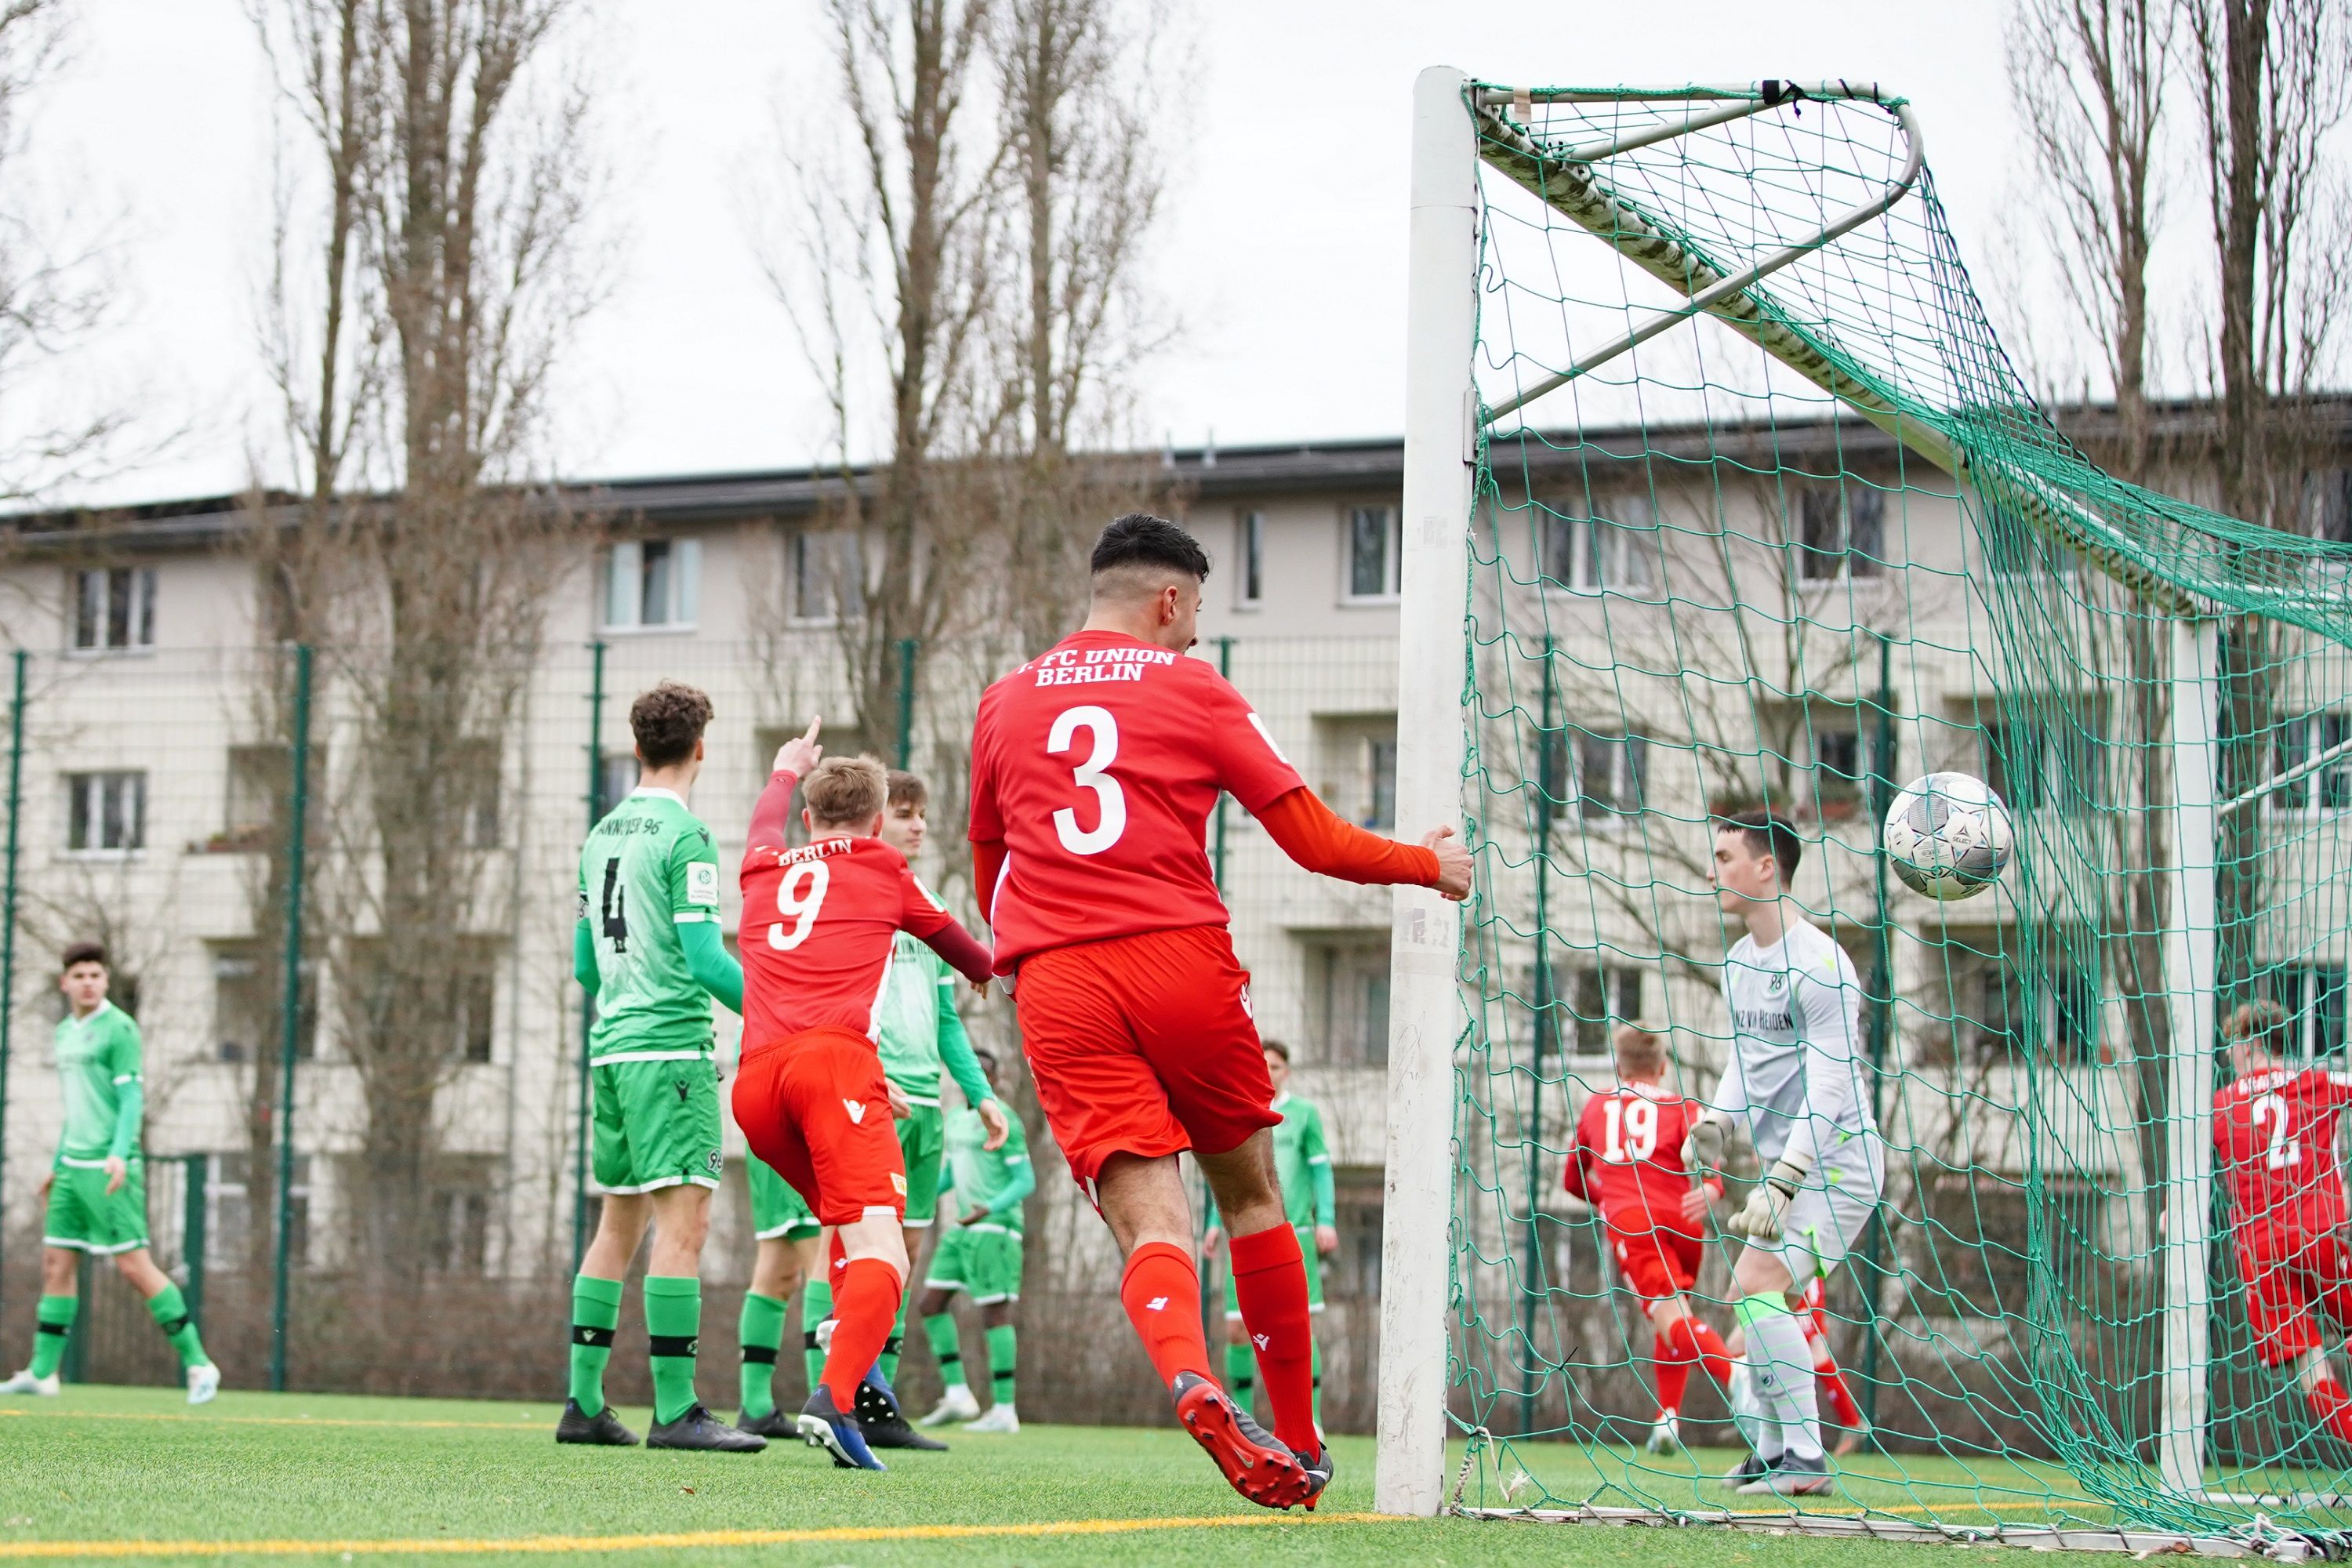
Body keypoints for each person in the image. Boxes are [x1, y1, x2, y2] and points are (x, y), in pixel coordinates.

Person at [965, 513, 1472, 1510]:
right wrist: (1429, 864)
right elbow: (1314, 840)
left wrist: (1011, 956)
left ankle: (1192, 1377)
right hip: (1178, 960)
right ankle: (1300, 1436)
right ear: (1170, 598)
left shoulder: (1004, 699)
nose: (1196, 630)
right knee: (1248, 1191)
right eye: (1195, 609)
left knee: (1146, 1213)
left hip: (1056, 978)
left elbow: (992, 856)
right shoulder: (1194, 685)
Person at [732, 735, 996, 1471]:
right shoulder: (885, 867)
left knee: (848, 1232)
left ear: (807, 819)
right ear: (879, 823)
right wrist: (992, 969)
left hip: (756, 1087)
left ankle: (841, 1369)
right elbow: (971, 955)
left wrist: (785, 769)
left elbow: (762, 822)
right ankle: (835, 1394)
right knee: (889, 1254)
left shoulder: (761, 865)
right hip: (834, 1069)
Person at [563, 682, 761, 1453]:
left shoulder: (600, 835)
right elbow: (707, 960)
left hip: (613, 1051)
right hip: (671, 1052)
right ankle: (676, 1411)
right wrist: (781, 1010)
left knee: (617, 1224)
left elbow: (586, 966)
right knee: (685, 1226)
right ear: (700, 747)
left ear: (637, 746)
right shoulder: (687, 835)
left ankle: (584, 1403)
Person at [1685, 807, 1883, 1498]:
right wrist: (1718, 1124)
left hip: (1841, 1162)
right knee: (1751, 1292)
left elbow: (1831, 1083)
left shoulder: (1823, 963)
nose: (1714, 871)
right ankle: (1774, 1452)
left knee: (1759, 1283)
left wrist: (1786, 1181)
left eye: (1725, 858)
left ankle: (1804, 1458)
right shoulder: (1740, 963)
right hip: (1791, 1167)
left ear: (1767, 867)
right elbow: (1747, 1064)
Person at [0, 944, 219, 1404]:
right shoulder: (64, 1032)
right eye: (79, 975)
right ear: (65, 983)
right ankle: (42, 1373)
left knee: (134, 1267)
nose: (88, 983)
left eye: (96, 975)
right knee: (56, 1265)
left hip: (109, 1168)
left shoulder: (120, 1029)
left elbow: (131, 1099)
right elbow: (77, 1107)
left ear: (105, 981)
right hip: (72, 1168)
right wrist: (57, 1165)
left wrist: (120, 1154)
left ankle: (199, 1364)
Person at [1558, 1020, 1735, 1456]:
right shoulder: (1684, 1105)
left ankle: (1742, 1382)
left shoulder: (1598, 1105)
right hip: (1685, 1220)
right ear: (1662, 1067)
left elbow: (1572, 1180)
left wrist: (1608, 1199)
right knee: (1672, 1313)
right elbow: (1707, 1152)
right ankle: (1667, 1417)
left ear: (1619, 1067)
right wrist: (1713, 1186)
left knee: (1670, 1315)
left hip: (1636, 1223)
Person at [2212, 999, 2352, 1445]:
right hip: (2318, 1232)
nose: (2228, 1055)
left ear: (2249, 1044)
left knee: (2311, 1365)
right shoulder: (2317, 1082)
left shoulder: (2218, 1106)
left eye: (2232, 1044)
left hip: (2260, 1254)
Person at [1201, 1041, 1335, 1431]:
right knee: (1236, 1329)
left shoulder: (1305, 1114)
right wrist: (1213, 1223)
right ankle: (1245, 1422)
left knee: (1301, 1326)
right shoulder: (1241, 1110)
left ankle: (1311, 1421)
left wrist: (1326, 1219)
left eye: (1275, 1066)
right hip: (1243, 1235)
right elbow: (1227, 1176)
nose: (1269, 1072)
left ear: (1286, 1072)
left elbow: (1321, 1170)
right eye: (1262, 1065)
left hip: (1297, 1233)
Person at [916, 1044, 1035, 1433]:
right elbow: (953, 1174)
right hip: (963, 1227)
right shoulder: (955, 1120)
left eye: (986, 1073)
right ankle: (957, 1393)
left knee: (994, 1311)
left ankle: (1004, 1409)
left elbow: (1025, 1181)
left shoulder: (1005, 1120)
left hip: (995, 1226)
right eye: (972, 1073)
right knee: (931, 1303)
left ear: (996, 1079)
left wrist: (990, 1207)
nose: (978, 1080)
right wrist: (919, 1195)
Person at [1723, 1276, 1870, 1457]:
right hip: (1771, 1296)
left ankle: (1851, 1423)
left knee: (1816, 1353)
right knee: (1735, 1347)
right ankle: (1755, 1413)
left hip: (1800, 1301)